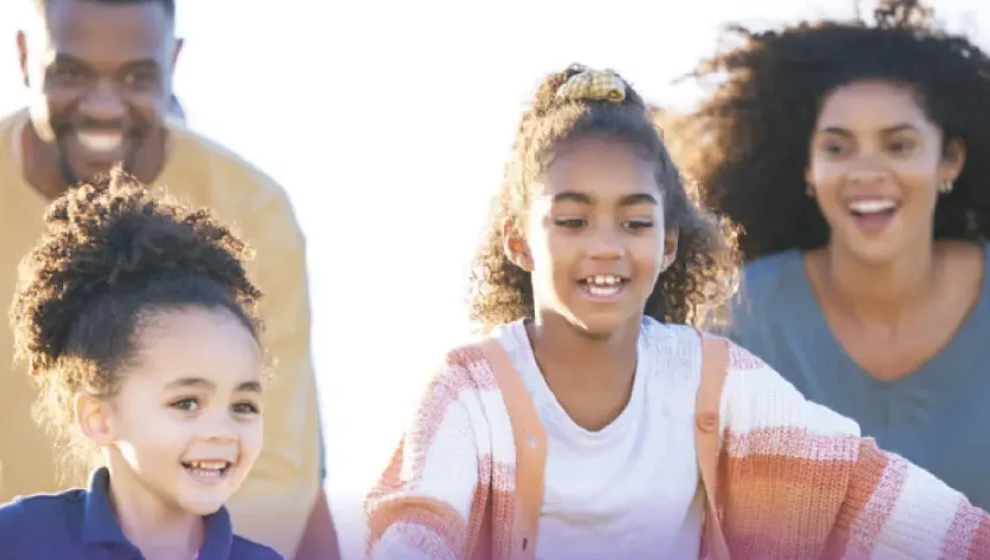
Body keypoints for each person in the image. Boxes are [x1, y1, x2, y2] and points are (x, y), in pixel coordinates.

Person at [363, 64, 990, 559]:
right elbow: (413, 530)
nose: (606, 245)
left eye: (634, 221)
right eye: (573, 220)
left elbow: (867, 492)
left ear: (666, 245)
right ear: (519, 241)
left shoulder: (715, 384)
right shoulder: (469, 393)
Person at [0, 0, 338, 557]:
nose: (102, 106)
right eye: (70, 72)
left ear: (172, 63)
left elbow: (283, 467)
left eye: (136, 76)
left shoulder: (253, 209)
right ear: (26, 57)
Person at [667, 0, 990, 510]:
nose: (866, 172)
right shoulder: (743, 313)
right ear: (808, 168)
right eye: (838, 148)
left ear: (949, 159)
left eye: (898, 145)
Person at [0, 172, 280, 559]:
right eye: (187, 402)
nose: (222, 432)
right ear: (99, 417)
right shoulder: (11, 543)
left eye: (243, 407)